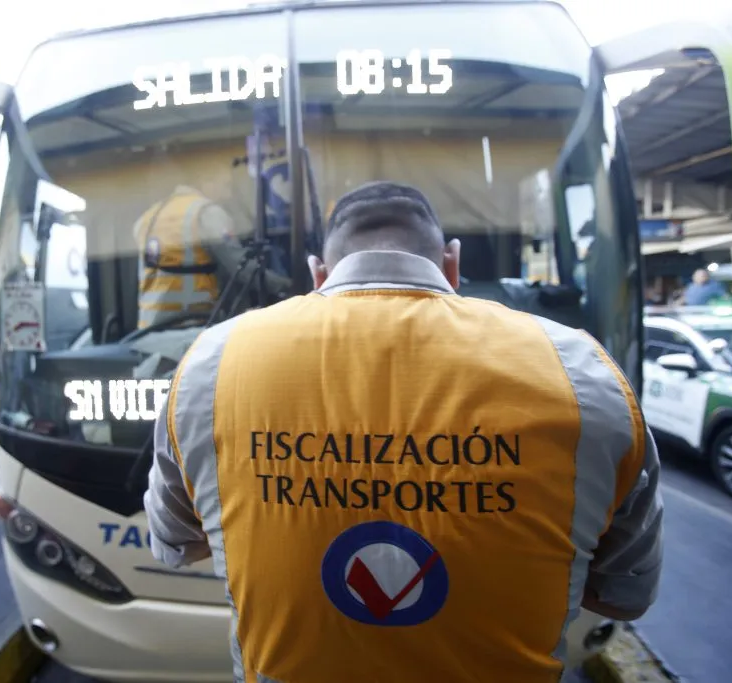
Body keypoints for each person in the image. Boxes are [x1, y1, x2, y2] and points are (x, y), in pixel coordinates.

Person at [143, 181, 664, 683]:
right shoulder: (582, 372)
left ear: (318, 273)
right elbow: (624, 595)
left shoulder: (211, 365)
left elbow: (175, 544)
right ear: (452, 263)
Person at [134, 183, 294, 330]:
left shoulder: (149, 217)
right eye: (223, 179)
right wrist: (289, 286)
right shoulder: (207, 213)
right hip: (190, 327)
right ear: (207, 179)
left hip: (148, 330)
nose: (228, 189)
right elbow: (241, 267)